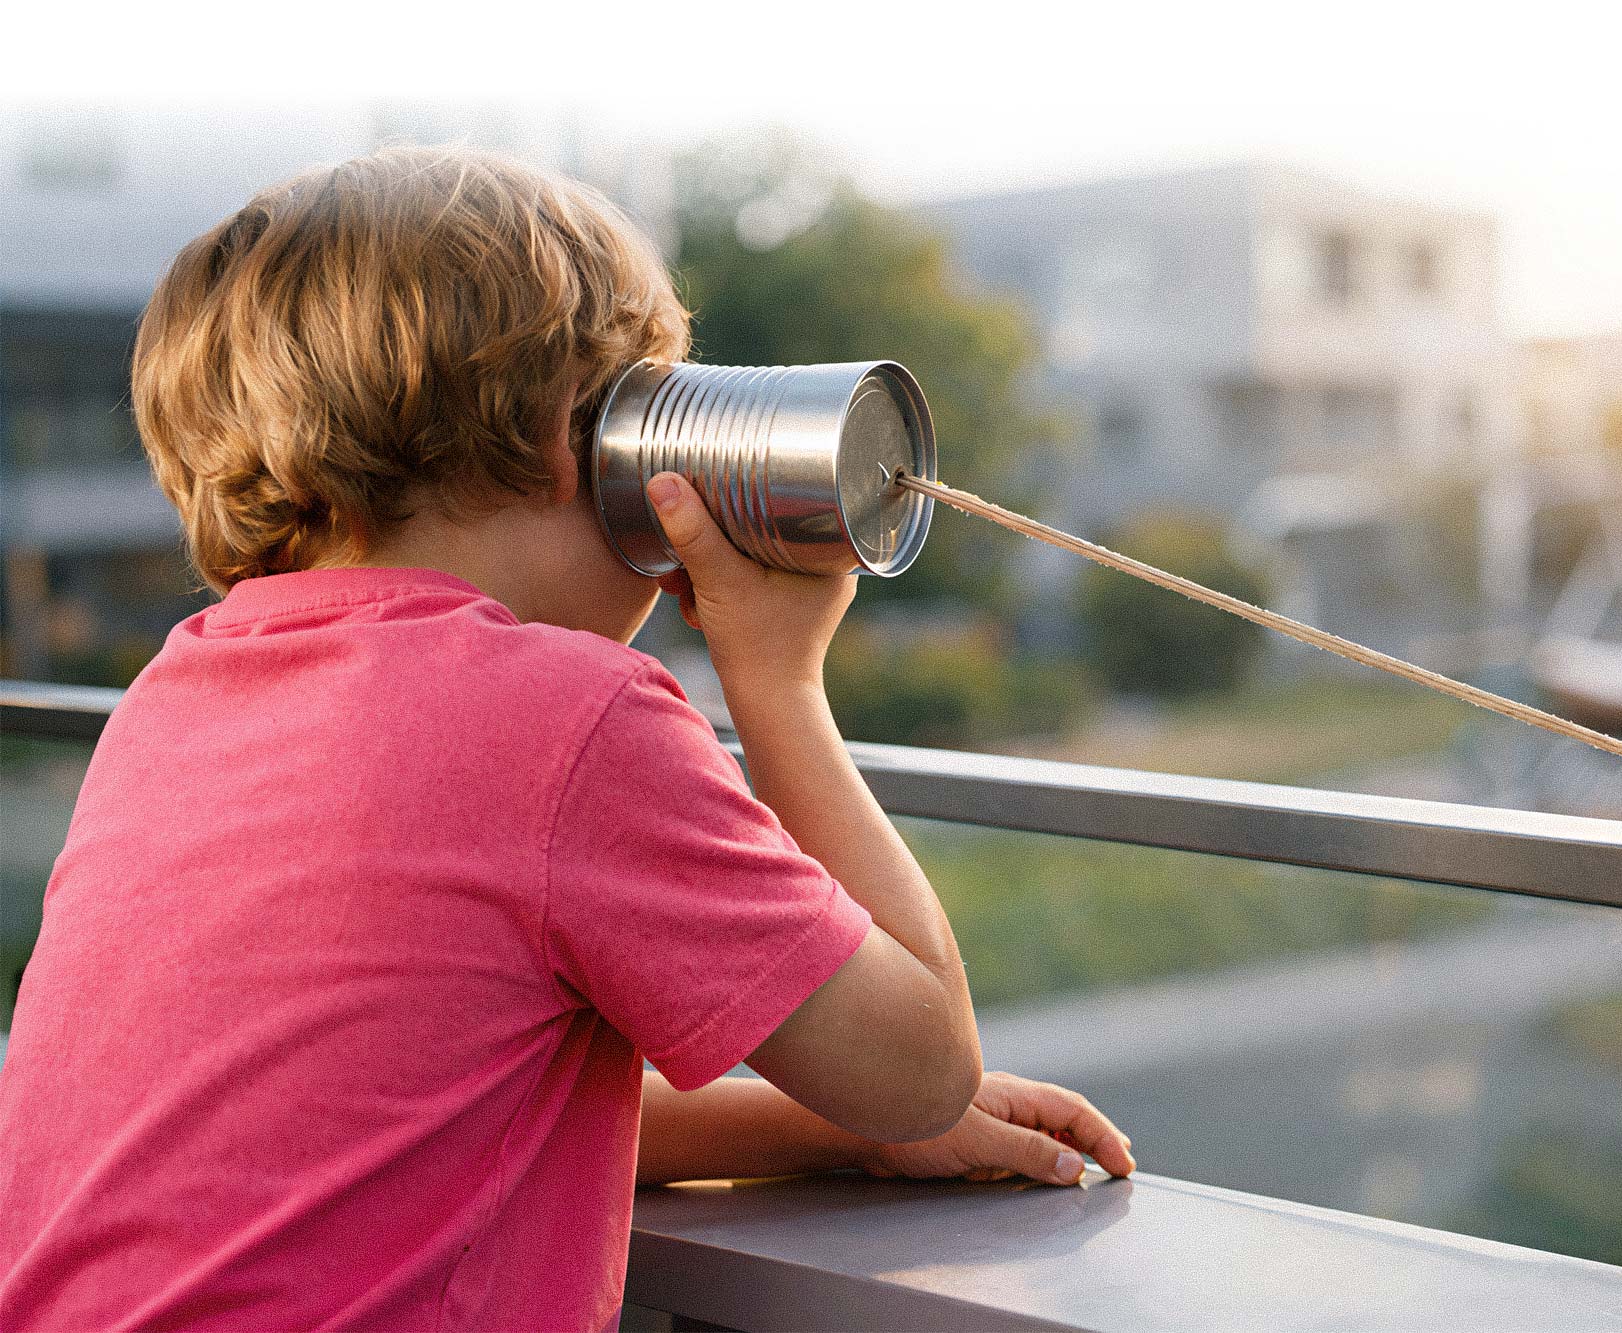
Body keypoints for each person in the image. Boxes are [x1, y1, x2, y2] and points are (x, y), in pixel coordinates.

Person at [0, 145, 1134, 1332]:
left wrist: (819, 1128)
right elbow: (916, 1070)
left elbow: (385, 1125)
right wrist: (778, 679)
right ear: (574, 442)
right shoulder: (567, 715)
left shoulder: (173, 702)